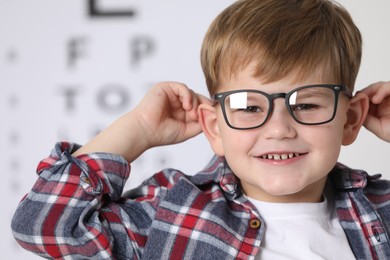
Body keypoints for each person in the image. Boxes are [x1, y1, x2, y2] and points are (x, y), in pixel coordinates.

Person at [11, 0, 390, 259]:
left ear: (351, 118)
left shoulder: (381, 210)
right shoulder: (171, 212)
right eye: (248, 106)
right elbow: (42, 224)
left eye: (306, 104)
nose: (278, 129)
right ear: (214, 126)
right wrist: (139, 129)